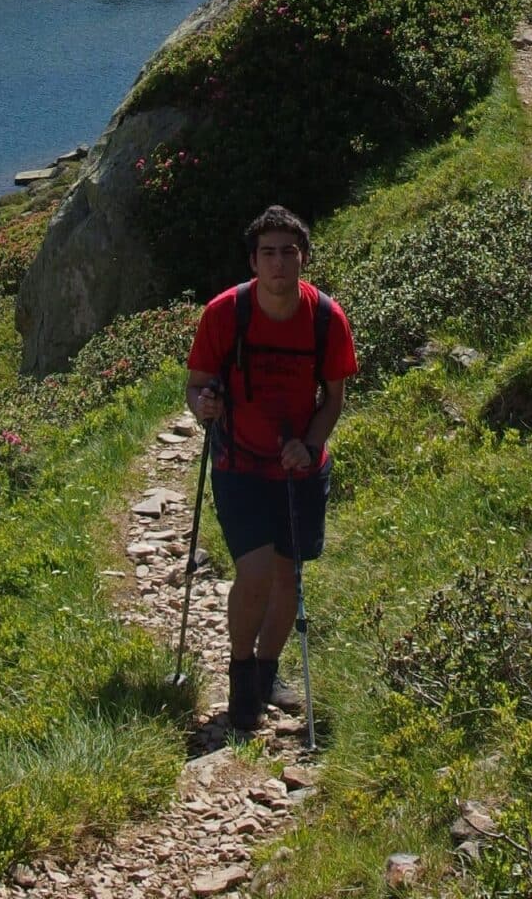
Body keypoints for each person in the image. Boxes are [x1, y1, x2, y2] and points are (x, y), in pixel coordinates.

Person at [185, 204, 357, 732]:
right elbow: (195, 383)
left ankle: (266, 674)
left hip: (300, 469)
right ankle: (242, 683)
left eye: (289, 252)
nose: (279, 263)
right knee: (255, 575)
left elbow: (334, 397)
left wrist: (309, 444)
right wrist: (202, 406)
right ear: (253, 262)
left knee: (288, 578)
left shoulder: (327, 318)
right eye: (268, 253)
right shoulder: (224, 313)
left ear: (304, 257)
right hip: (239, 462)